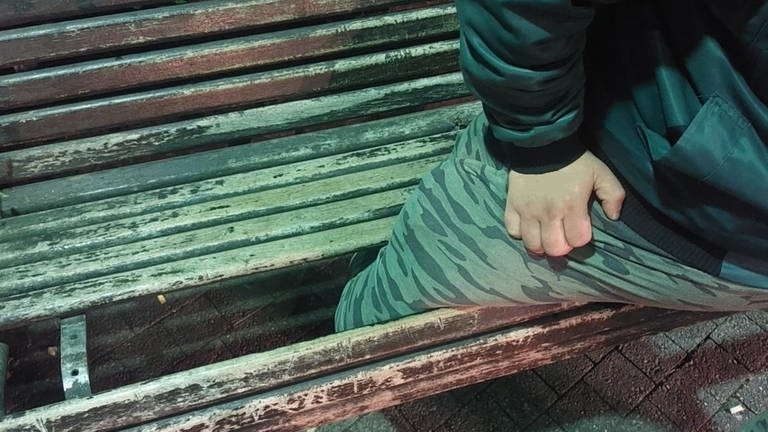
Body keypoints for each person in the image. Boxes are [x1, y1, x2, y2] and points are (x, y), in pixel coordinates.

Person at [335, 0, 768, 331]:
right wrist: (544, 146)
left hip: (664, 196)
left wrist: (541, 149)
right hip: (657, 148)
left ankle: (346, 331)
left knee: (387, 301)